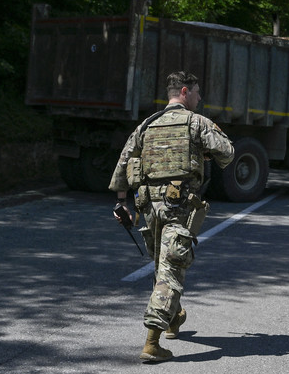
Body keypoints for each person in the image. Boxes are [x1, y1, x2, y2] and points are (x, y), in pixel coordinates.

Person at [109, 71, 235, 362]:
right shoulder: (196, 122)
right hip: (179, 208)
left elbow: (123, 163)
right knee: (171, 269)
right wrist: (204, 147)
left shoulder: (146, 125)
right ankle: (152, 343)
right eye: (197, 92)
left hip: (148, 208)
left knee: (162, 265)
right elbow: (227, 153)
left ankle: (174, 317)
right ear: (184, 91)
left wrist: (120, 203)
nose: (200, 98)